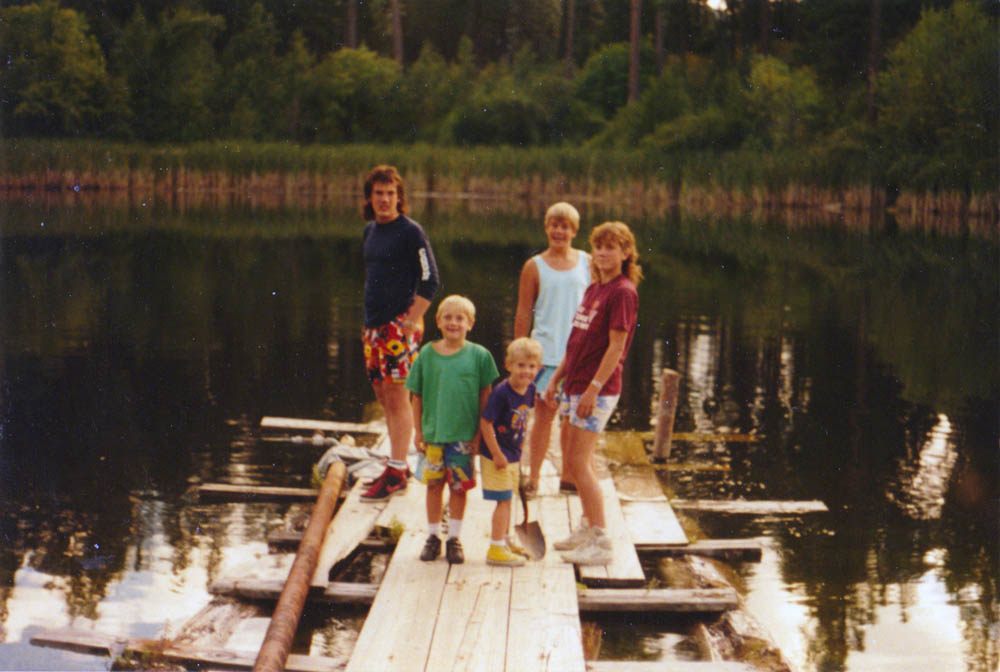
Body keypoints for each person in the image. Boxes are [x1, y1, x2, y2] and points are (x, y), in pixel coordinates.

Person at [543, 221, 642, 566]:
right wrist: (555, 379)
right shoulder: (594, 288)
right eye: (598, 247)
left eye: (611, 247)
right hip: (575, 384)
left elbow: (616, 348)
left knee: (580, 464)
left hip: (597, 389)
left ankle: (601, 541)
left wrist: (593, 389)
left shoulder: (623, 292)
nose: (602, 253)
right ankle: (586, 528)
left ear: (625, 253)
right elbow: (577, 342)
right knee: (569, 461)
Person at [359, 165, 440, 503]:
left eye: (390, 194)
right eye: (378, 193)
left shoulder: (411, 232)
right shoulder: (370, 232)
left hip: (399, 326)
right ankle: (398, 464)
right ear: (370, 197)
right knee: (383, 395)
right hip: (372, 326)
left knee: (397, 397)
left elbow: (430, 279)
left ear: (399, 197)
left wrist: (411, 321)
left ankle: (395, 470)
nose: (384, 200)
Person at [407, 295, 499, 564]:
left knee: (459, 488)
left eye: (460, 318)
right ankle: (434, 536)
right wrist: (418, 431)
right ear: (437, 321)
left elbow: (486, 395)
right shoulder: (426, 354)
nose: (453, 323)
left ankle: (454, 538)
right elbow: (417, 395)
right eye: (447, 317)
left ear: (470, 323)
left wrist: (479, 433)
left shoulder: (480, 356)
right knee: (434, 485)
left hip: (463, 436)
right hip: (434, 434)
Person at [513, 202, 590, 496]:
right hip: (545, 354)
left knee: (572, 420)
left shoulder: (588, 262)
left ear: (574, 231)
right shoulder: (534, 266)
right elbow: (523, 311)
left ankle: (569, 477)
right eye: (554, 225)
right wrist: (521, 351)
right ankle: (533, 477)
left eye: (565, 226)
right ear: (546, 227)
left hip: (579, 355)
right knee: (543, 417)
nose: (559, 231)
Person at [479, 337, 543, 567]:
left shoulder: (531, 389)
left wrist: (519, 452)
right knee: (503, 501)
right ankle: (495, 549)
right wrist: (496, 453)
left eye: (532, 366)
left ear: (539, 368)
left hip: (513, 454)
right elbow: (486, 423)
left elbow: (523, 420)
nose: (526, 371)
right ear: (508, 365)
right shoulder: (501, 393)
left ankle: (504, 541)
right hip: (496, 455)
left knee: (509, 499)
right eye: (521, 365)